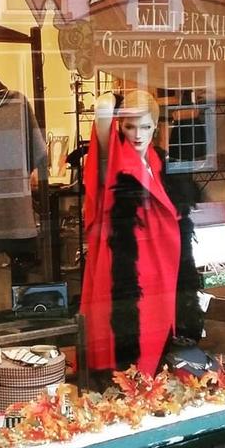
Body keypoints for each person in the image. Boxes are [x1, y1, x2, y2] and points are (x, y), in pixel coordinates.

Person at [80, 89, 181, 377]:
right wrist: (116, 98)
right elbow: (102, 107)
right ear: (119, 126)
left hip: (157, 263)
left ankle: (150, 382)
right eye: (129, 127)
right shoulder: (113, 159)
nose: (138, 135)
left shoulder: (155, 161)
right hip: (126, 262)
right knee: (130, 333)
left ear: (155, 127)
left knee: (155, 330)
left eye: (145, 127)